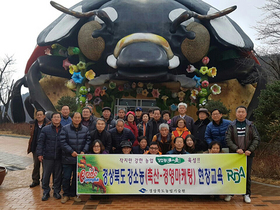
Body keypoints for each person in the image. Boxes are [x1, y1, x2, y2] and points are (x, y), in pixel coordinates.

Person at [224, 106, 260, 203]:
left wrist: (250, 150)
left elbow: (256, 139)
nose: (240, 114)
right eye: (239, 112)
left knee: (246, 175)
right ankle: (230, 193)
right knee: (232, 174)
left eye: (242, 112)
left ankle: (246, 194)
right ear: (236, 114)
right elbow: (228, 139)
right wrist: (236, 149)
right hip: (235, 155)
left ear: (245, 114)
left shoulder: (251, 125)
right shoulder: (231, 125)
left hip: (247, 155)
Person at [60, 112, 91, 204]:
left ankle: (73, 194)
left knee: (76, 178)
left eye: (79, 118)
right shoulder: (65, 129)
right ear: (72, 118)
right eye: (75, 117)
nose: (77, 119)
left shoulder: (85, 129)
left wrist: (84, 151)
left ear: (81, 119)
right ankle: (65, 194)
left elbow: (88, 141)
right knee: (66, 177)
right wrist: (71, 151)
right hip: (68, 157)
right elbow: (62, 142)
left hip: (79, 159)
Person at [36, 112, 62, 201]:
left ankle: (56, 191)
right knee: (46, 175)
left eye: (58, 117)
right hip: (48, 156)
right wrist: (39, 154)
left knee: (58, 176)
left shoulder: (64, 129)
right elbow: (40, 142)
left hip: (59, 157)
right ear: (51, 119)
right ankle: (46, 192)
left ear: (60, 119)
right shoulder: (45, 129)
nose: (56, 119)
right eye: (54, 117)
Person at [27, 110, 50, 188]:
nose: (39, 116)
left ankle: (44, 181)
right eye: (38, 115)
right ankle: (35, 180)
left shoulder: (48, 124)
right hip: (35, 148)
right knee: (36, 165)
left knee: (45, 165)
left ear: (44, 116)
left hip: (46, 148)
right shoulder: (33, 124)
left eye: (41, 115)